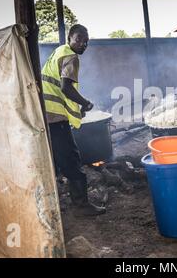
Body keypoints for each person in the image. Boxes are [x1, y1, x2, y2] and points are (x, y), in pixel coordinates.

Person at [41, 24, 106, 217]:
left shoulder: (58, 52)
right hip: (54, 117)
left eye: (86, 41)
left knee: (54, 159)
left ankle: (52, 202)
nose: (83, 44)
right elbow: (65, 88)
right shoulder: (70, 56)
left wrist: (77, 109)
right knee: (71, 158)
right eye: (79, 39)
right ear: (69, 38)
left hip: (45, 113)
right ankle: (81, 205)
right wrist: (85, 103)